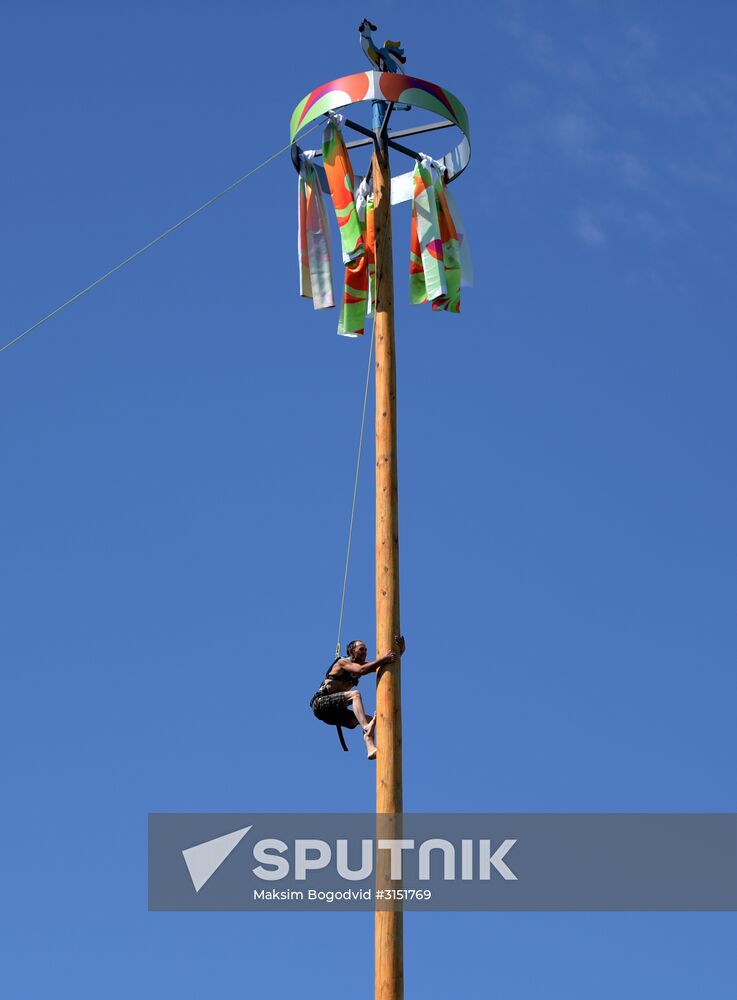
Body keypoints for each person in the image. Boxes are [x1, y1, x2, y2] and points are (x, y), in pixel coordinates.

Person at [310, 636, 406, 759]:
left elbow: (386, 663)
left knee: (371, 719)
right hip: (320, 704)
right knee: (355, 695)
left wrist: (400, 650)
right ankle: (366, 728)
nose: (365, 652)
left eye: (366, 650)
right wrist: (384, 659)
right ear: (351, 652)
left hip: (334, 714)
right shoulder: (342, 662)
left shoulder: (362, 665)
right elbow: (362, 670)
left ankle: (370, 748)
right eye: (361, 649)